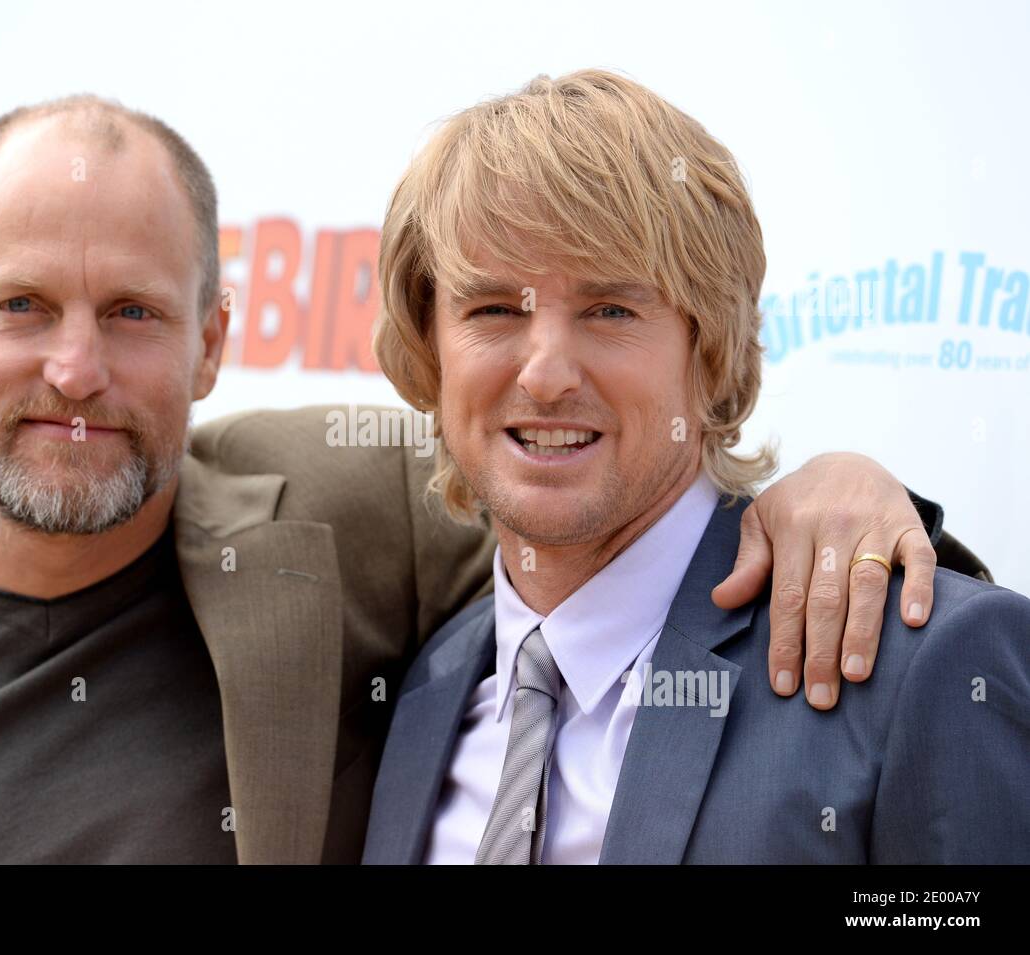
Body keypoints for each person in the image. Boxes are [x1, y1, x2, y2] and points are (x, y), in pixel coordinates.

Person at [0, 94, 989, 865]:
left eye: (131, 311)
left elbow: (627, 512)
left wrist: (846, 492)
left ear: (214, 340)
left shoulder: (330, 526)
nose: (75, 369)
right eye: (20, 306)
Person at [362, 69, 1029, 864]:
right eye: (494, 309)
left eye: (610, 309)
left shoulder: (917, 668)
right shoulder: (420, 690)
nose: (545, 373)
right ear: (430, 350)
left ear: (709, 349)